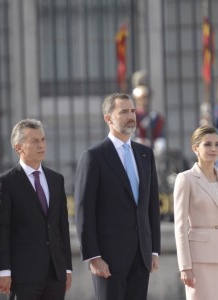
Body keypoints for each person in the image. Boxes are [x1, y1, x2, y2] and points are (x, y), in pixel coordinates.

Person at [75, 93, 161, 300]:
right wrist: (94, 256)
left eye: (132, 111)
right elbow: (84, 210)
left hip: (141, 256)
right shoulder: (94, 156)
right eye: (123, 112)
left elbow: (151, 206)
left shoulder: (145, 154)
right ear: (108, 118)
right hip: (108, 258)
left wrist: (154, 250)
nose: (131, 116)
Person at [0, 119, 72, 300]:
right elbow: (1, 229)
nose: (41, 145)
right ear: (18, 147)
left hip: (55, 275)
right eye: (34, 141)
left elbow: (62, 226)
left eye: (43, 140)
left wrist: (67, 268)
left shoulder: (56, 180)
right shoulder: (6, 183)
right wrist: (3, 269)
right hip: (23, 277)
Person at [173, 125, 218, 300]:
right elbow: (180, 226)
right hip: (199, 260)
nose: (213, 149)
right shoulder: (185, 179)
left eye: (217, 144)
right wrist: (185, 266)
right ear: (195, 148)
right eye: (208, 144)